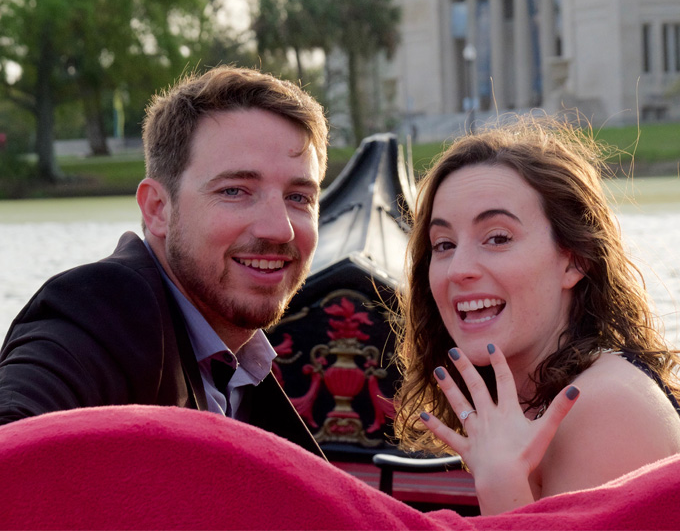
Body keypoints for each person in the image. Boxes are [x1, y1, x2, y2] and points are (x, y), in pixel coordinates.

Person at [0, 65, 328, 457]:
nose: (280, 230)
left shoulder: (241, 366)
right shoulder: (99, 314)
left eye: (299, 198)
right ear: (157, 209)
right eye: (236, 191)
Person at [393, 115, 680, 515]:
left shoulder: (603, 408)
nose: (459, 269)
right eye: (443, 244)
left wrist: (501, 488)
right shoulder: (535, 401)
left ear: (574, 260)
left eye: (497, 238)